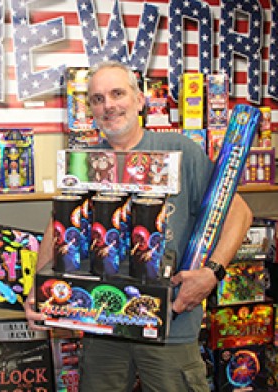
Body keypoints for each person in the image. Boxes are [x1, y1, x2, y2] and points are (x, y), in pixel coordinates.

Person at [24, 61, 253, 391]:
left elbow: (239, 213)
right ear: (90, 108)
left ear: (140, 99)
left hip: (171, 326)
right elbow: (57, 227)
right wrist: (39, 286)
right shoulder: (85, 161)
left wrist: (211, 273)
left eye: (118, 94)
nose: (109, 106)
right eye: (98, 98)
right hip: (102, 320)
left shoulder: (180, 151)